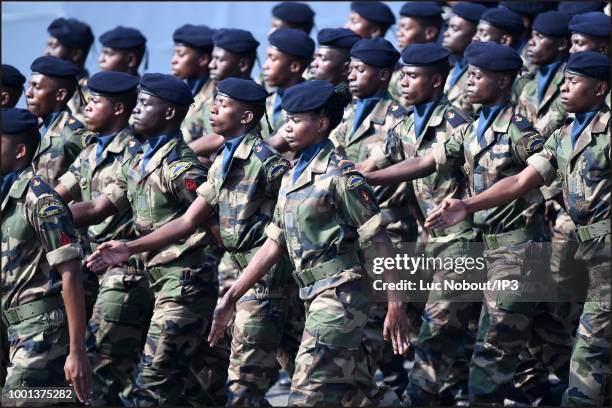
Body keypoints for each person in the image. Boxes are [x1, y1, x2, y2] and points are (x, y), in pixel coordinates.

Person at [363, 42, 575, 405]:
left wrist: (469, 205)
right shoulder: (472, 130)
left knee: (488, 349)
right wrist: (370, 178)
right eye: (470, 75)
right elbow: (427, 161)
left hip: (519, 248)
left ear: (504, 82)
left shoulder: (520, 132)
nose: (470, 82)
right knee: (544, 335)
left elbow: (536, 181)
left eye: (479, 76)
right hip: (489, 246)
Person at [87, 78, 304, 406]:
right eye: (214, 102)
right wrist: (130, 247)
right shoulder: (221, 161)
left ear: (246, 117)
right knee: (227, 377)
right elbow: (189, 220)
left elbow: (293, 217)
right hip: (239, 280)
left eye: (223, 104)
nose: (213, 109)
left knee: (249, 383)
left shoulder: (266, 162)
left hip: (265, 280)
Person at [425, 50, 610, 408]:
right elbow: (520, 181)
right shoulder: (563, 137)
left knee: (587, 360)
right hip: (587, 255)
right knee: (576, 347)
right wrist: (468, 205)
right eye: (565, 81)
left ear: (601, 88)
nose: (565, 89)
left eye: (575, 82)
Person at [208, 80, 410, 406]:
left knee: (304, 396)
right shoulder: (290, 175)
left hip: (340, 295)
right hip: (308, 294)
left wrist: (395, 303)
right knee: (354, 390)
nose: (287, 128)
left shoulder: (340, 175)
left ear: (321, 124)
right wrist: (232, 295)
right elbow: (275, 241)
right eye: (286, 119)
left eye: (296, 121)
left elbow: (379, 238)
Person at [67, 73, 223, 406]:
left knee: (151, 386)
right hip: (156, 281)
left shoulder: (182, 169)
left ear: (168, 113)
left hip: (186, 284)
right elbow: (98, 207)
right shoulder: (138, 161)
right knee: (197, 387)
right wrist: (47, 212)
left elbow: (212, 223)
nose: (134, 110)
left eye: (144, 104)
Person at [374, 42, 480, 406]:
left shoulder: (457, 126)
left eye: (412, 76)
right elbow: (376, 163)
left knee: (437, 332)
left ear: (436, 81)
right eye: (402, 75)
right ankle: (448, 389)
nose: (403, 82)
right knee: (416, 321)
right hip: (428, 242)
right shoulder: (404, 124)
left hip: (462, 242)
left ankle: (416, 399)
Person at [53, 71, 153, 406]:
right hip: (90, 268)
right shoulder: (90, 151)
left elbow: (98, 208)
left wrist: (41, 218)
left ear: (119, 109)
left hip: (125, 272)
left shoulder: (134, 155)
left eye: (95, 102)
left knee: (96, 374)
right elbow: (57, 195)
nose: (86, 108)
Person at [330, 37, 417, 399]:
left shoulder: (400, 121)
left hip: (389, 233)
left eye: (360, 69)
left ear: (383, 75)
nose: (351, 75)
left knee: (369, 336)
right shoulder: (342, 114)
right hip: (346, 238)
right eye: (350, 68)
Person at [1, 108, 91, 405]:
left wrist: (77, 351)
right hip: (12, 328)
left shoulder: (41, 200)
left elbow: (71, 274)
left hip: (41, 331)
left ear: (20, 150)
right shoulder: (6, 196)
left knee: (18, 399)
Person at [189, 28, 261, 158]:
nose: (211, 65)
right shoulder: (209, 95)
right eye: (212, 59)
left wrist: (183, 154)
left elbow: (223, 137)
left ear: (243, 64)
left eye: (219, 60)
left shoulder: (254, 101)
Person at [26, 56, 90, 188]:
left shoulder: (73, 135)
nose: (28, 93)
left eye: (36, 87)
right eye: (29, 86)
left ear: (60, 95)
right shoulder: (31, 130)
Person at [390, 2, 443, 106]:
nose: (399, 34)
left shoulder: (442, 72)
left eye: (406, 28)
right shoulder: (397, 74)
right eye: (399, 28)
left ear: (430, 33)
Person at [263, 27, 315, 132]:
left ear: (294, 66)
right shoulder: (265, 101)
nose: (265, 65)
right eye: (266, 58)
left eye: (273, 59)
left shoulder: (310, 103)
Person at [171, 24, 217, 144]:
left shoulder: (216, 96)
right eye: (174, 54)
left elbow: (217, 138)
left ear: (203, 60)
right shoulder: (182, 93)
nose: (173, 60)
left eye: (180, 54)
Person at [44, 17, 94, 123]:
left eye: (53, 46)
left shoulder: (90, 94)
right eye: (48, 45)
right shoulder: (43, 88)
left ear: (76, 54)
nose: (46, 52)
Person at [442, 2, 488, 116]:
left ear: (475, 34)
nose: (446, 33)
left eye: (455, 28)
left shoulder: (482, 74)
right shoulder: (453, 69)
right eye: (448, 27)